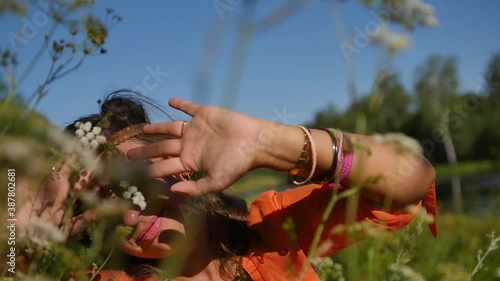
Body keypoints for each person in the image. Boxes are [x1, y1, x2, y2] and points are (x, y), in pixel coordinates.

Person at [16, 90, 437, 281]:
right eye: (99, 211)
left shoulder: (269, 232)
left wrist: (275, 144)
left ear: (176, 163)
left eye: (133, 185)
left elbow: (409, 180)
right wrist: (18, 208)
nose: (128, 216)